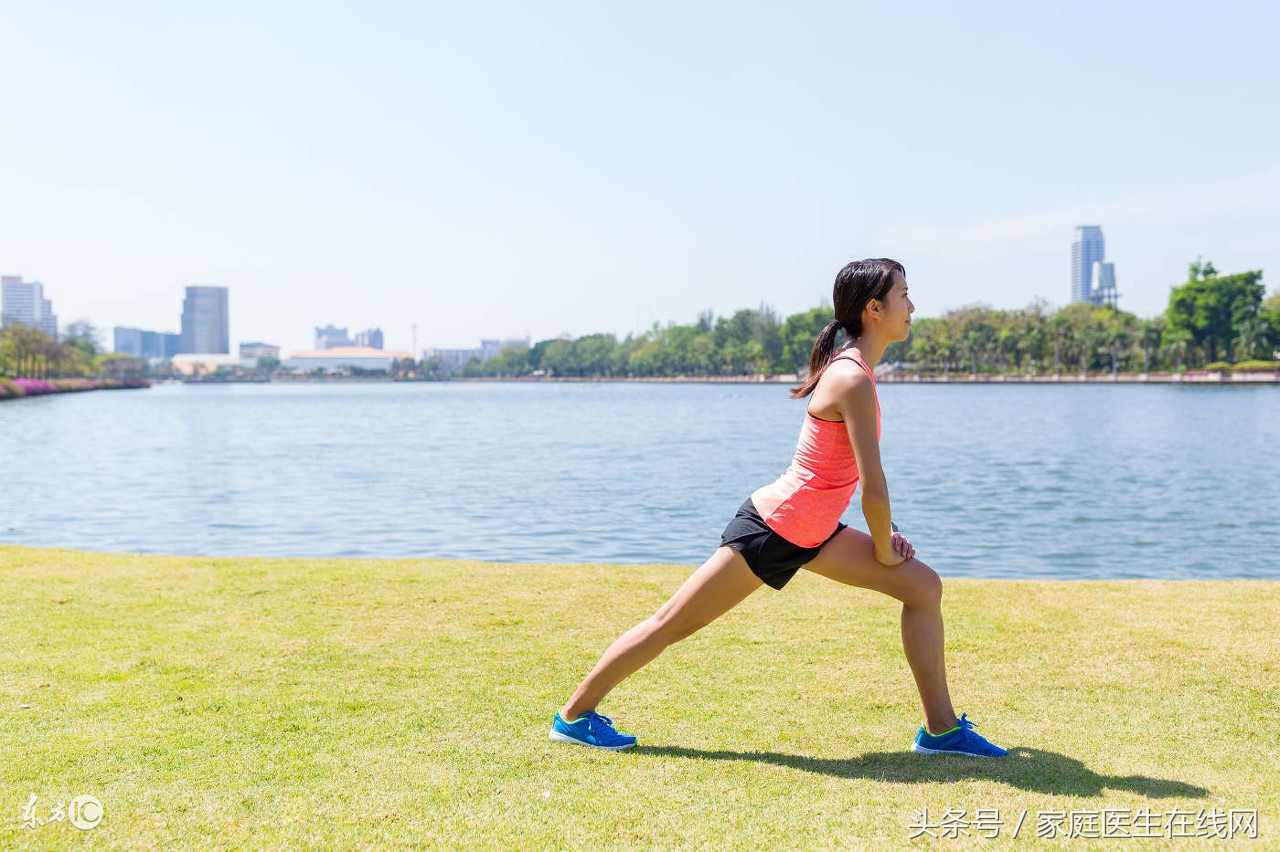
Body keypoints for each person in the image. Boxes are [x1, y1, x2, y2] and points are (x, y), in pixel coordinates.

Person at [549, 258, 1007, 758]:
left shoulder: (856, 374)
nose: (912, 306)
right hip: (773, 529)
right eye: (904, 296)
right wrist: (884, 548)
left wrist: (888, 536)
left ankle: (941, 730)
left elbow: (850, 479)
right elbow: (872, 489)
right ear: (875, 309)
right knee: (672, 624)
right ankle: (574, 716)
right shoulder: (852, 379)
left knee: (923, 587)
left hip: (815, 532)